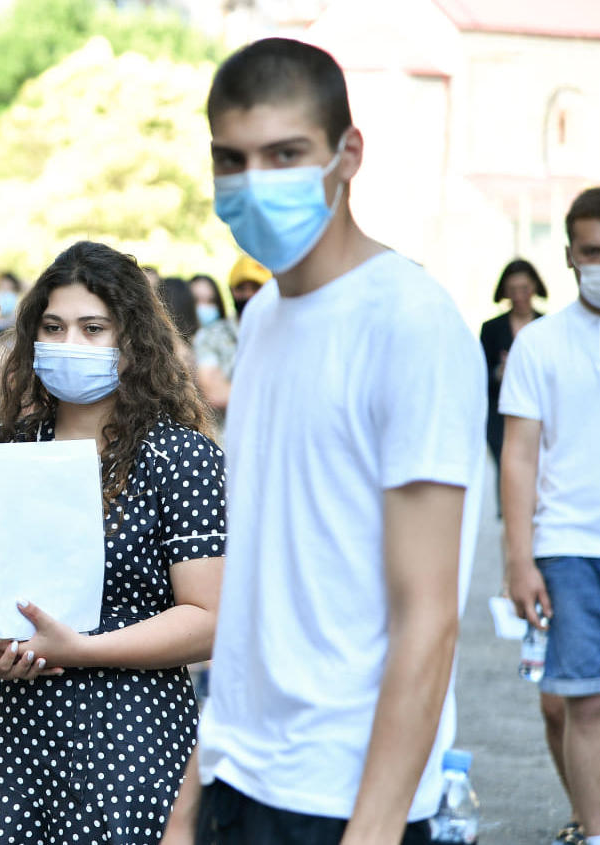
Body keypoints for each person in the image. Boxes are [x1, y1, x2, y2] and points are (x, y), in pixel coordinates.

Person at [164, 38, 486, 845]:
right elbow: (263, 577)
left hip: (343, 799)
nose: (254, 182)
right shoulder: (265, 318)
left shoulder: (408, 321)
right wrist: (192, 792)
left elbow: (429, 617)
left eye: (284, 154)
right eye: (231, 160)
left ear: (347, 154)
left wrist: (370, 831)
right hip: (238, 776)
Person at [0, 240, 226, 844]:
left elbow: (210, 619)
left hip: (128, 741)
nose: (72, 344)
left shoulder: (180, 457)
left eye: (94, 329)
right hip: (4, 745)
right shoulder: (2, 455)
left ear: (132, 343)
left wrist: (83, 649)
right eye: (55, 327)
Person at [501, 186, 600, 845]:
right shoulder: (539, 344)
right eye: (592, 250)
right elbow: (517, 456)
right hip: (568, 546)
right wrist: (518, 559)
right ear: (568, 255)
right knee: (583, 702)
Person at [480, 258, 546, 469]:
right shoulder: (491, 329)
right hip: (502, 423)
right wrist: (499, 372)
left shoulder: (548, 326)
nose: (519, 296)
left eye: (524, 288)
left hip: (542, 420)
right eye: (513, 289)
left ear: (534, 287)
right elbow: (480, 377)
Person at [189, 274, 236, 422]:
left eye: (210, 301)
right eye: (197, 301)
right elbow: (216, 393)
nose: (204, 307)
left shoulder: (229, 339)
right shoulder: (176, 349)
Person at [225, 253, 269, 319]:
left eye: (255, 287)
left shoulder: (281, 326)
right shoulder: (215, 329)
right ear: (231, 290)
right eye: (241, 288)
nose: (248, 294)